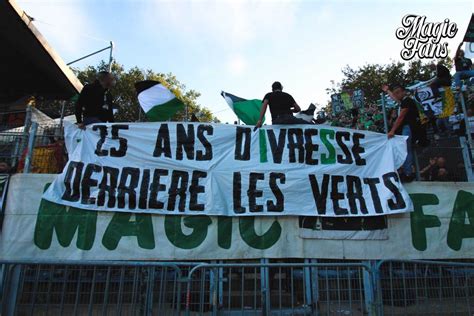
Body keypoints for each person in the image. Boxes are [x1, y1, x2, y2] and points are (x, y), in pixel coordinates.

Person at [382, 83, 423, 182]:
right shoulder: (403, 102)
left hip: (408, 128)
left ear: (404, 92)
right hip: (406, 128)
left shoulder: (407, 101)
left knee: (406, 150)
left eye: (398, 92)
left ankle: (408, 173)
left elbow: (401, 117)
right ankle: (406, 171)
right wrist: (388, 91)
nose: (397, 95)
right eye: (395, 93)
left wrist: (392, 130)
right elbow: (395, 98)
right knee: (405, 150)